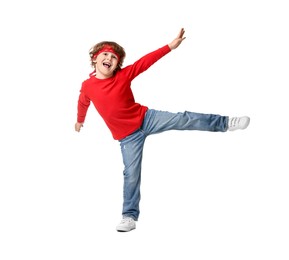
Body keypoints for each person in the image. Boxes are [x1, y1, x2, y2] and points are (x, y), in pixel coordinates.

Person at [75, 28, 250, 232]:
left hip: (146, 118)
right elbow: (83, 102)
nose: (109, 58)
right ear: (95, 59)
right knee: (131, 174)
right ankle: (129, 217)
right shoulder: (88, 86)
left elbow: (145, 62)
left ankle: (226, 123)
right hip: (127, 137)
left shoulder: (122, 76)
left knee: (183, 119)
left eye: (114, 57)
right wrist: (80, 121)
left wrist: (170, 46)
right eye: (105, 54)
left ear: (117, 65)